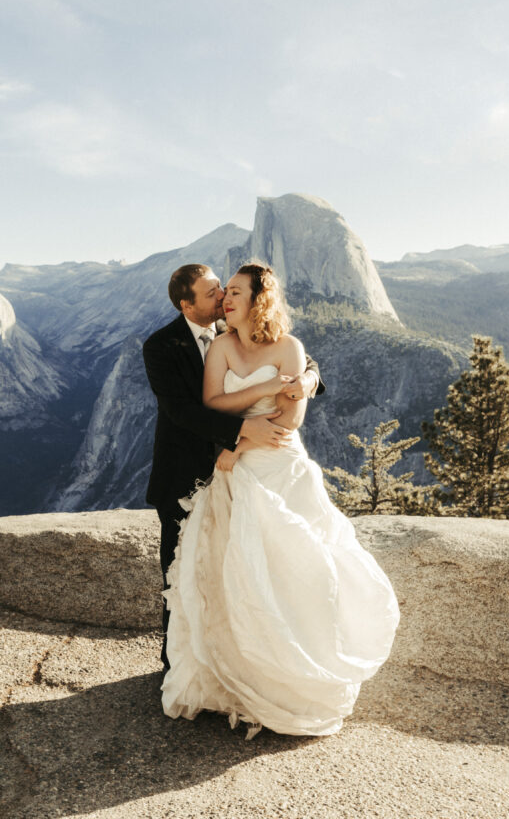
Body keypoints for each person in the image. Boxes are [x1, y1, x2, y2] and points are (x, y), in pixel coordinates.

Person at [160, 262, 399, 738]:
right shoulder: (215, 345)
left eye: (233, 292)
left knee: (298, 567)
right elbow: (204, 406)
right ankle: (236, 674)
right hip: (231, 470)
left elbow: (290, 420)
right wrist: (266, 391)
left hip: (278, 464)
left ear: (258, 299)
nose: (225, 299)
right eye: (220, 293)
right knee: (235, 572)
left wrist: (241, 443)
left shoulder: (290, 347)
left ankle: (292, 674)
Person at [143, 263, 323, 669]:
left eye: (223, 288)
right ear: (187, 306)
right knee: (183, 569)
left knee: (246, 570)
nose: (223, 296)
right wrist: (242, 433)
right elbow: (182, 411)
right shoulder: (160, 346)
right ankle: (180, 665)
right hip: (185, 474)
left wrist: (309, 380)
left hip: (245, 470)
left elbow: (298, 359)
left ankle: (251, 661)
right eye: (212, 294)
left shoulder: (233, 329)